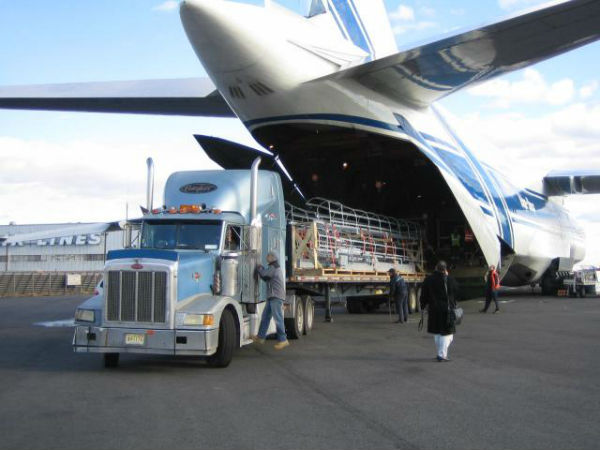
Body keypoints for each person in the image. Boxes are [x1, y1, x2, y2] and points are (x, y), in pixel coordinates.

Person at [420, 260, 458, 362]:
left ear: (436, 268)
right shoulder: (449, 279)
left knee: (437, 331)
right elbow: (456, 291)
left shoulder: (428, 279)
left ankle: (440, 353)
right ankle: (441, 354)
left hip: (433, 309)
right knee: (448, 333)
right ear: (445, 269)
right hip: (446, 309)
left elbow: (423, 294)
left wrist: (423, 306)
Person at [251, 251, 289, 350]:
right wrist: (262, 269)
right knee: (265, 317)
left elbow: (265, 275)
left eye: (268, 256)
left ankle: (283, 340)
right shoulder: (272, 267)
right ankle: (260, 337)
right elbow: (266, 277)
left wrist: (259, 268)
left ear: (273, 257)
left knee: (278, 318)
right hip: (272, 296)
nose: (266, 257)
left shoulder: (274, 267)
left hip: (276, 296)